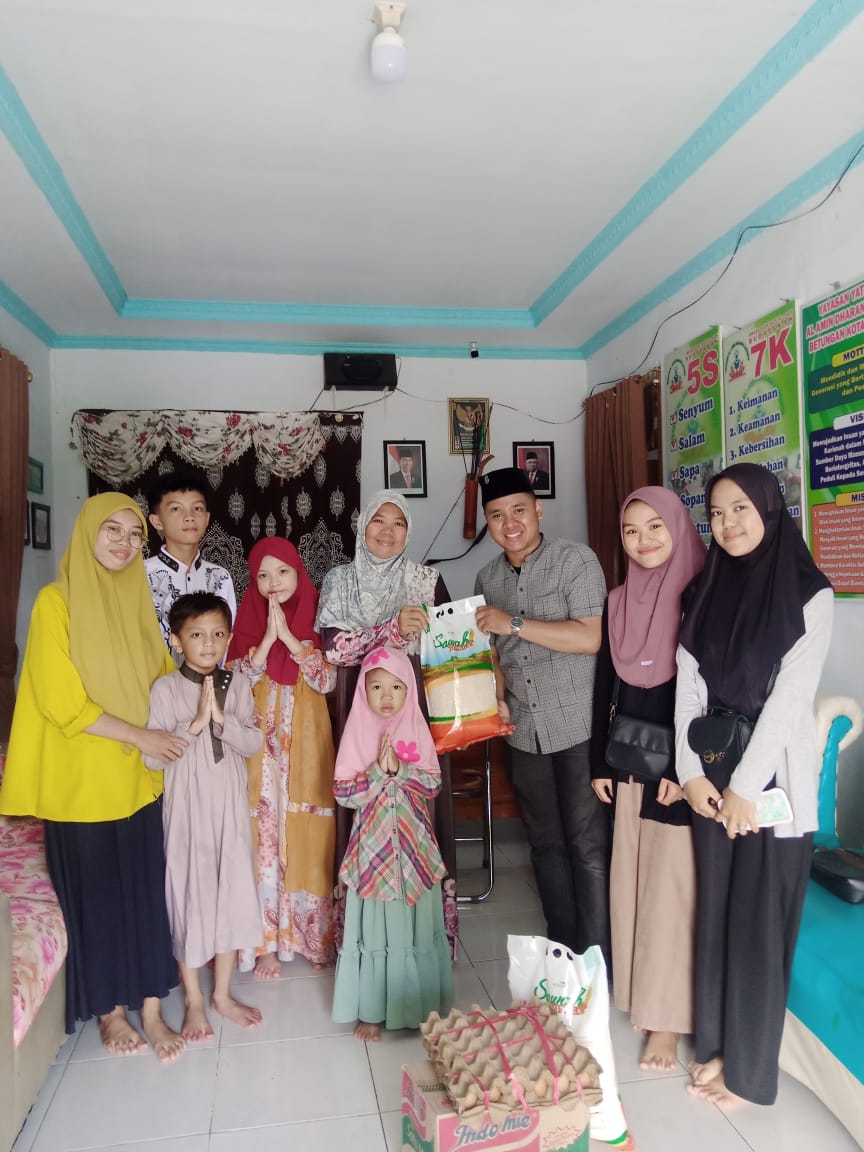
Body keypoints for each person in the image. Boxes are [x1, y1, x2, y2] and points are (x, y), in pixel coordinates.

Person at [0, 493, 186, 1061]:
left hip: (137, 779)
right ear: (87, 532)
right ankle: (110, 1012)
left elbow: (164, 679)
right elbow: (62, 702)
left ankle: (151, 1010)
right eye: (112, 530)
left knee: (147, 893)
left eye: (134, 535)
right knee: (100, 898)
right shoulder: (55, 604)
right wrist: (143, 737)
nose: (124, 543)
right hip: (81, 784)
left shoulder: (137, 601)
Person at [675, 462, 833, 1108]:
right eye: (716, 513)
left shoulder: (809, 593)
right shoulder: (704, 588)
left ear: (769, 509)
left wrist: (744, 788)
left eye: (740, 508)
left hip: (771, 789)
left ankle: (747, 1075)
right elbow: (688, 686)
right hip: (710, 779)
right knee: (715, 916)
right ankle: (715, 1048)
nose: (728, 523)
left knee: (759, 927)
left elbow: (789, 700)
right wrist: (690, 775)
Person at [474, 467, 610, 965]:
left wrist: (512, 621)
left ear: (538, 510)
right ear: (488, 522)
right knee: (545, 843)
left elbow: (589, 637)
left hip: (578, 726)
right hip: (523, 730)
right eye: (496, 515)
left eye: (518, 510)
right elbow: (494, 656)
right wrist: (497, 699)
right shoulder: (487, 578)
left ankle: (597, 959)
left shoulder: (576, 561)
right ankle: (563, 951)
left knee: (587, 846)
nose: (509, 523)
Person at [590, 487, 705, 1070]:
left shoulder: (703, 596)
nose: (643, 541)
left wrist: (689, 771)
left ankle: (667, 1023)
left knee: (669, 893)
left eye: (655, 527)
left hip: (678, 773)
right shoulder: (618, 600)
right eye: (631, 530)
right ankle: (641, 996)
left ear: (678, 527)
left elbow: (711, 696)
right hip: (629, 761)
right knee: (631, 885)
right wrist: (598, 762)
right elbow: (605, 686)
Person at [315, 491, 458, 949]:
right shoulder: (340, 580)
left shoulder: (427, 581)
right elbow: (334, 649)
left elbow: (451, 649)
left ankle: (425, 934)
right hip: (359, 710)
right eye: (379, 520)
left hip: (415, 711)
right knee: (362, 800)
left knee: (420, 804)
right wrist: (391, 630)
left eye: (399, 523)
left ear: (408, 531)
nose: (388, 531)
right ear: (363, 527)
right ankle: (364, 936)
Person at [145, 592, 263, 1041]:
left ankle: (223, 995)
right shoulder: (165, 689)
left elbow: (253, 744)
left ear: (229, 639)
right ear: (177, 641)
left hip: (229, 808)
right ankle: (195, 1000)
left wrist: (220, 720)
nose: (208, 644)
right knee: (189, 894)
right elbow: (153, 758)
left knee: (231, 889)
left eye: (217, 634)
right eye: (196, 635)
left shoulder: (238, 685)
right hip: (187, 813)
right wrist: (194, 724)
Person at [228, 538, 337, 976]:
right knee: (263, 837)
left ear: (299, 573)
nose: (273, 583)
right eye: (263, 575)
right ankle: (265, 946)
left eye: (283, 572)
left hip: (305, 750)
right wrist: (267, 639)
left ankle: (309, 937)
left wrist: (290, 638)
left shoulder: (320, 617)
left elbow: (326, 681)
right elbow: (234, 681)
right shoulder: (248, 621)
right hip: (260, 756)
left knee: (308, 833)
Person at [332, 646, 453, 1041]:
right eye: (377, 687)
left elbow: (433, 784)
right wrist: (374, 773)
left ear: (410, 691)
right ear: (362, 691)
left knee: (414, 928)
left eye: (397, 687)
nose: (386, 696)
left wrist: (399, 770)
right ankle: (371, 1011)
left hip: (414, 850)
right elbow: (343, 793)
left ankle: (419, 1006)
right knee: (376, 931)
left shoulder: (416, 727)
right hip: (374, 852)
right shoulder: (357, 731)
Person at [146, 471, 237, 654]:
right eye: (176, 509)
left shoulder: (219, 577)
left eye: (197, 508)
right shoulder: (141, 575)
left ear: (207, 518)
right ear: (157, 521)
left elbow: (227, 642)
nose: (189, 517)